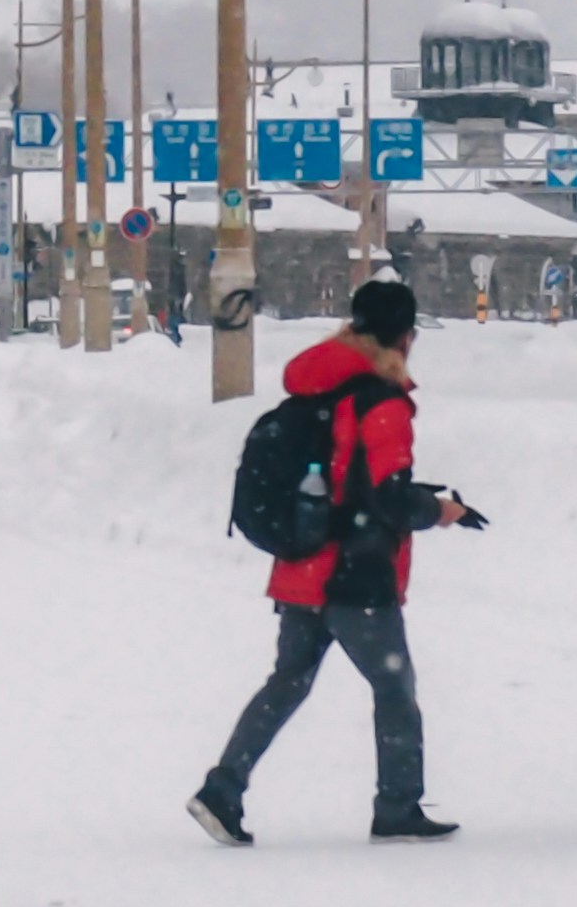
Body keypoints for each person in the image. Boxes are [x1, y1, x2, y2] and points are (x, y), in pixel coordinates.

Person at [190, 279, 471, 846]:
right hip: (356, 571)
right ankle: (398, 806)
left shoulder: (317, 388)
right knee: (395, 688)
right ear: (407, 337)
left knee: (288, 680)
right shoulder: (381, 401)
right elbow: (387, 497)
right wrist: (440, 509)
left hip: (302, 562)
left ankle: (222, 788)